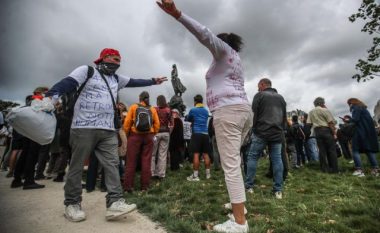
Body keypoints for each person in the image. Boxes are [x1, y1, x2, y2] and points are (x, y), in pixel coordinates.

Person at [158, 1, 252, 231]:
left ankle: (240, 223)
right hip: (242, 110)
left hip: (228, 112)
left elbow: (205, 35)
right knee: (234, 161)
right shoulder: (235, 60)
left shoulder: (224, 51)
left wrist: (177, 14)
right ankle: (239, 203)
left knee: (230, 164)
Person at [45, 48, 167, 222]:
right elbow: (68, 83)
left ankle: (115, 202)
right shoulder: (86, 71)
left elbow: (134, 81)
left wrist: (153, 81)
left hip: (108, 130)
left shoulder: (116, 79)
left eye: (119, 60)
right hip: (83, 127)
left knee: (112, 164)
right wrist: (50, 97)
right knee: (77, 165)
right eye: (113, 58)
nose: (117, 62)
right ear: (103, 58)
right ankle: (72, 204)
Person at [244, 78, 286, 200]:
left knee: (252, 157)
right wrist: (282, 130)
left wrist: (254, 129)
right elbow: (284, 116)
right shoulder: (281, 97)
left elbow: (254, 113)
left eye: (258, 86)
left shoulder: (259, 95)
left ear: (262, 85)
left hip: (261, 132)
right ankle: (278, 190)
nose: (258, 88)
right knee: (277, 160)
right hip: (277, 133)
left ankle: (249, 186)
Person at [123, 91, 160, 192]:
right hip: (148, 136)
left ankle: (128, 187)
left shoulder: (134, 107)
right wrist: (153, 133)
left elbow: (127, 123)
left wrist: (127, 134)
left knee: (131, 161)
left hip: (135, 136)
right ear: (148, 98)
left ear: (140, 98)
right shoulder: (152, 109)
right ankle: (145, 186)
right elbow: (157, 124)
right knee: (146, 161)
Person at [347, 98, 379, 177]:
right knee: (368, 151)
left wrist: (348, 120)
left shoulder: (356, 108)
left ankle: (359, 170)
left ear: (351, 103)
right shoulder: (364, 109)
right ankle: (376, 170)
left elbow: (355, 120)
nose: (349, 106)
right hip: (368, 133)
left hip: (360, 132)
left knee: (355, 150)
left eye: (349, 104)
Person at [307, 97, 339, 173]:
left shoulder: (311, 112)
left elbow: (309, 123)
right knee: (331, 150)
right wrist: (334, 133)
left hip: (317, 131)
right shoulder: (325, 110)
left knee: (322, 150)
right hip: (326, 130)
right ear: (322, 103)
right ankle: (334, 169)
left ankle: (324, 169)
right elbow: (331, 123)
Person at [185, 94, 211, 181]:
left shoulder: (193, 110)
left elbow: (188, 119)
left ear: (195, 101)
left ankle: (195, 176)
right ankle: (208, 175)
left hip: (196, 133)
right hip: (205, 133)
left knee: (196, 154)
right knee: (206, 154)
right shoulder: (206, 111)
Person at [151, 95, 172, 180]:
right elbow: (171, 123)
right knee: (162, 154)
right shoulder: (168, 110)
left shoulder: (154, 109)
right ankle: (161, 174)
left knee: (152, 154)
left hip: (156, 133)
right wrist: (169, 132)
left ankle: (152, 172)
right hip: (166, 133)